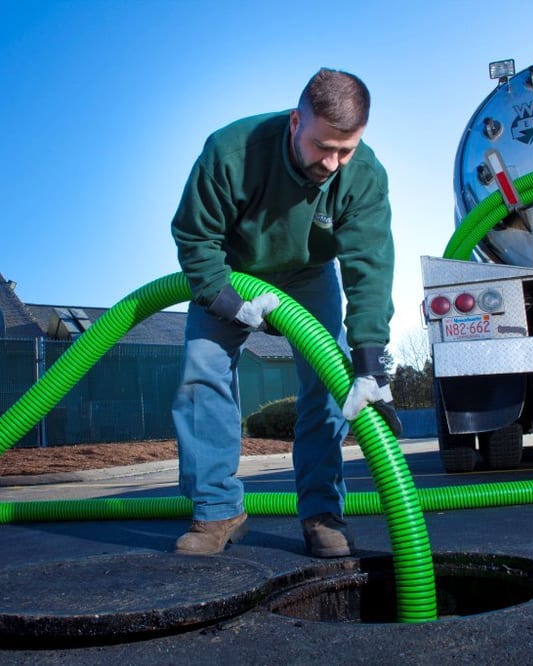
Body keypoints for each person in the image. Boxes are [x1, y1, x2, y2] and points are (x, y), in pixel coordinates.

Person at [170, 67, 401, 558]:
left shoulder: (364, 175)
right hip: (230, 274)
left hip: (309, 275)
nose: (334, 162)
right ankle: (217, 512)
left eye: (347, 149)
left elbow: (370, 266)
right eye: (324, 146)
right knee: (201, 373)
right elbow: (195, 237)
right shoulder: (232, 152)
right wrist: (226, 300)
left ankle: (321, 513)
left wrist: (370, 360)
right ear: (297, 121)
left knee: (327, 385)